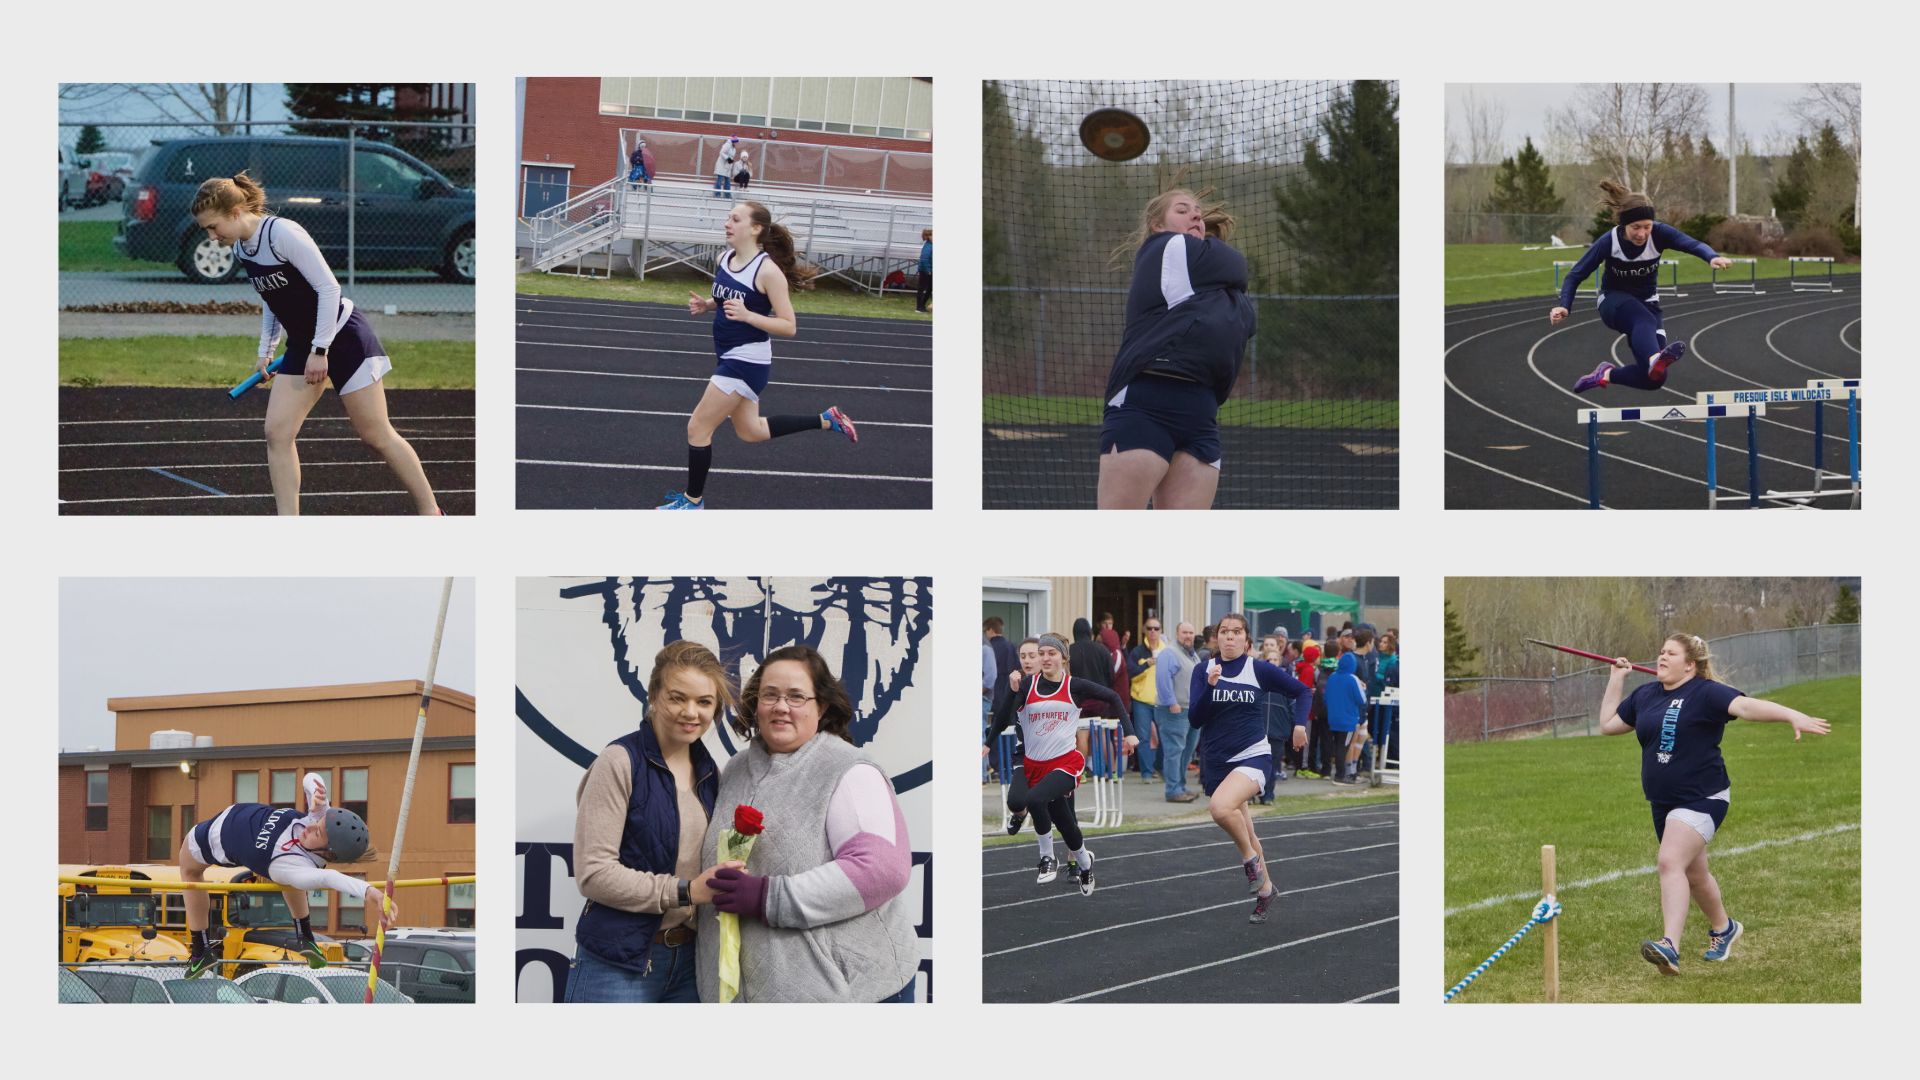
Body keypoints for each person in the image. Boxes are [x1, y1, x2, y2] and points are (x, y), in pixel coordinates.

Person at [192, 173, 441, 516]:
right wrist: (266, 349)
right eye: (207, 229)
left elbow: (329, 289)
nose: (211, 236)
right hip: (304, 345)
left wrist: (320, 350)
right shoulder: (240, 246)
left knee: (376, 435)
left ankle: (432, 514)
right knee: (276, 433)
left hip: (344, 338)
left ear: (235, 212)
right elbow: (271, 297)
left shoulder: (282, 233)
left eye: (213, 226)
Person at [695, 645, 920, 1002]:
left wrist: (768, 897)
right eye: (770, 695)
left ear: (822, 706)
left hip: (851, 993)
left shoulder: (850, 770)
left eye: (796, 696)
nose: (781, 706)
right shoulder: (736, 769)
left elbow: (882, 869)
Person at [1597, 634, 1831, 975]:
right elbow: (1607, 726)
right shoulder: (1646, 695)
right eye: (1660, 651)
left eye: (1671, 654)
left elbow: (1747, 707)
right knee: (1695, 874)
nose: (1661, 657)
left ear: (1690, 664)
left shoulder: (1705, 693)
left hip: (1703, 797)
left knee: (1669, 862)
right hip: (1663, 802)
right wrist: (1615, 681)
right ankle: (1724, 929)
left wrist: (1791, 715)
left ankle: (1670, 947)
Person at [659, 202, 860, 509]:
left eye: (735, 219)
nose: (727, 223)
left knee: (697, 427)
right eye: (728, 217)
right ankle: (826, 419)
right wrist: (708, 306)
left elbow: (789, 326)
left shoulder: (768, 272)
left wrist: (749, 315)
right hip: (728, 353)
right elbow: (725, 294)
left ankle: (692, 502)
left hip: (747, 360)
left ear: (755, 229)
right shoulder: (723, 258)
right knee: (751, 431)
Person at [568, 641, 737, 1002]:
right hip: (618, 965)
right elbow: (593, 874)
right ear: (654, 695)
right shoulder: (619, 762)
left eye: (704, 702)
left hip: (691, 962)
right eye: (678, 697)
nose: (691, 712)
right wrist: (686, 891)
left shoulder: (711, 773)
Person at [1096, 187, 1255, 510]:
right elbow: (1237, 263)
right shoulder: (1166, 247)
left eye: (1197, 210)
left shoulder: (1209, 281)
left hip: (1201, 414)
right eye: (1182, 210)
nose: (1196, 214)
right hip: (1145, 403)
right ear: (1157, 225)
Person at [178, 771, 392, 979]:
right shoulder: (319, 822)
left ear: (328, 853)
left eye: (317, 832)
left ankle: (200, 949)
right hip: (236, 815)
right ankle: (305, 938)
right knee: (290, 882)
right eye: (316, 823)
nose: (309, 827)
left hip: (210, 837)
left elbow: (331, 878)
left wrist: (369, 892)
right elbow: (310, 778)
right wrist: (319, 793)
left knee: (189, 871)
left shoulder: (295, 869)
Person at [984, 634, 1133, 894]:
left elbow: (1113, 697)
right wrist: (1009, 695)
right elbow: (1007, 714)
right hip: (1033, 763)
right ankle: (1085, 864)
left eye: (1051, 653)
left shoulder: (1074, 685)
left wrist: (1129, 731)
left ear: (1064, 657)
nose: (1044, 658)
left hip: (1065, 763)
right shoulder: (1028, 685)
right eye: (1041, 654)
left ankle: (1047, 858)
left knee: (1036, 799)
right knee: (1065, 823)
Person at [1557, 180, 1735, 394]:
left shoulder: (1660, 234)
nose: (1642, 234)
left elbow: (1692, 244)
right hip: (1612, 302)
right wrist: (1564, 306)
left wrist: (1711, 257)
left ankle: (1604, 374)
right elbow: (1575, 275)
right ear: (1624, 225)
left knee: (1655, 379)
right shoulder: (1609, 242)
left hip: (1648, 304)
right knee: (1643, 320)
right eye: (1635, 227)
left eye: (1647, 227)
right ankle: (1653, 358)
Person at [1189, 613, 1311, 923]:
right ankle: (1266, 889)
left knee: (1220, 809)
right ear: (1217, 638)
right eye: (1224, 631)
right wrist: (1209, 686)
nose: (1229, 637)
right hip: (1217, 760)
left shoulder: (1258, 669)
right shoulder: (1203, 669)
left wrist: (1299, 725)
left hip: (1253, 755)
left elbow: (1303, 691)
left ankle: (1249, 860)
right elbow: (1195, 719)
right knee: (1246, 827)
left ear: (1247, 640)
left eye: (1236, 632)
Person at [1154, 621, 1202, 802]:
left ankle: (1180, 786)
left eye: (1190, 632)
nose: (1188, 636)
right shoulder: (1169, 652)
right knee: (1174, 751)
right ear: (1177, 633)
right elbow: (1162, 679)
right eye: (1184, 632)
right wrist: (1171, 702)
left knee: (1186, 751)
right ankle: (1173, 790)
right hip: (1174, 710)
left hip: (1191, 710)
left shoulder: (1191, 654)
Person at [1126, 618, 1170, 785]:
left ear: (1160, 631)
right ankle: (1146, 772)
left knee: (1164, 737)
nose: (1152, 631)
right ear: (1144, 630)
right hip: (1141, 700)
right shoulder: (1138, 651)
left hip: (1162, 700)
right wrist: (1147, 665)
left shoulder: (1167, 651)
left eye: (1156, 628)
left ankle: (1159, 766)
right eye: (1149, 628)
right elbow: (1130, 673)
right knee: (1143, 738)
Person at [1326, 643, 1370, 784]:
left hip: (1333, 718)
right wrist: (1363, 688)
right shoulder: (1352, 679)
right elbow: (1361, 700)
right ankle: (1340, 775)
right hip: (1348, 720)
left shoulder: (1332, 676)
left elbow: (1326, 697)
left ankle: (1339, 773)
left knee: (1337, 745)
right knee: (1343, 747)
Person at [914, 228, 933, 314]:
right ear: (929, 236)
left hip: (930, 269)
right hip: (926, 270)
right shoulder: (928, 246)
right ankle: (919, 307)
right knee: (922, 288)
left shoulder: (931, 245)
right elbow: (924, 259)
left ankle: (922, 306)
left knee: (930, 288)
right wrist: (928, 270)